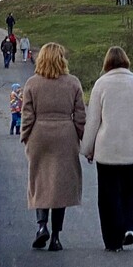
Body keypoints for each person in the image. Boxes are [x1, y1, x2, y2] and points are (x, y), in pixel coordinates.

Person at [80, 46, 133, 252]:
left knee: (107, 196)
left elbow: (93, 121)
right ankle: (128, 226)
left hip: (106, 151)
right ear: (126, 61)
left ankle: (112, 240)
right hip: (132, 149)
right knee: (128, 189)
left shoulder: (101, 85)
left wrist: (87, 148)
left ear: (107, 63)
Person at [20, 43, 86, 251]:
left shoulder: (32, 83)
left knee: (39, 180)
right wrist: (80, 136)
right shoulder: (73, 83)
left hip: (40, 134)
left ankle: (41, 227)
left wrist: (26, 136)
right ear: (62, 59)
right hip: (65, 135)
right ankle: (56, 236)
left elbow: (27, 115)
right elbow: (80, 115)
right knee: (61, 185)